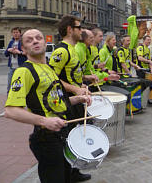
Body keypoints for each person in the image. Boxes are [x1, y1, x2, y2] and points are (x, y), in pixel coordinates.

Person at [5, 29, 91, 183]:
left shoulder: (49, 69)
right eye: (29, 40)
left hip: (62, 134)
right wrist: (45, 121)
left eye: (39, 38)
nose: (35, 41)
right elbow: (10, 111)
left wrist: (78, 99)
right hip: (46, 139)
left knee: (66, 177)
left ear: (45, 43)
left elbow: (55, 103)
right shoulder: (24, 71)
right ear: (23, 49)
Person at [49, 15, 92, 181]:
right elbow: (52, 77)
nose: (81, 30)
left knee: (76, 137)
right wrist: (74, 88)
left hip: (76, 102)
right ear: (69, 30)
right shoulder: (61, 51)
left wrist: (81, 86)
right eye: (79, 27)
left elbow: (72, 76)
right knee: (68, 140)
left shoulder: (73, 49)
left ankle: (74, 171)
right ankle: (67, 175)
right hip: (67, 104)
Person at [5, 27, 27, 94]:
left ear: (20, 33)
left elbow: (27, 53)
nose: (15, 34)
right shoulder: (11, 42)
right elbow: (6, 54)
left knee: (22, 85)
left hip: (21, 67)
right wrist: (9, 50)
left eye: (17, 32)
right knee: (9, 85)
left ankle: (22, 98)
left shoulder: (23, 42)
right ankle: (9, 99)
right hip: (12, 67)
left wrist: (19, 52)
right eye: (14, 32)